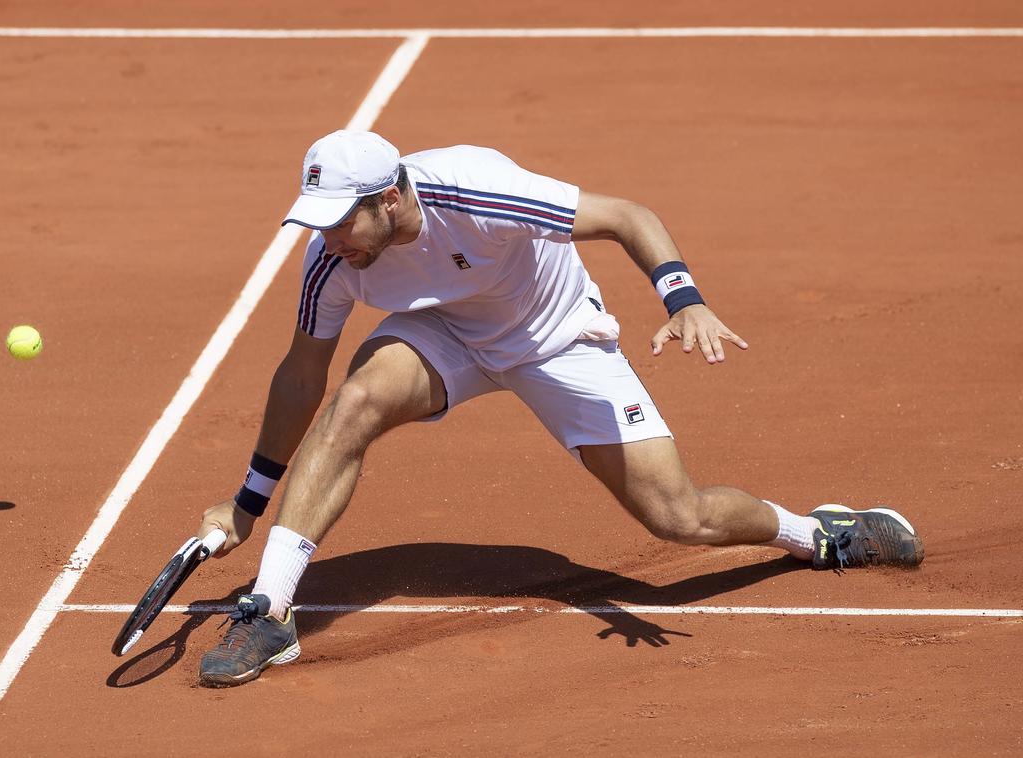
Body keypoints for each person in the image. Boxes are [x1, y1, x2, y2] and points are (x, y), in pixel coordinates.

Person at [194, 130, 924, 687]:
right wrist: (246, 503)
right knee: (355, 399)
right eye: (318, 223)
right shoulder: (334, 256)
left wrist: (685, 299)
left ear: (390, 198)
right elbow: (301, 376)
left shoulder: (479, 191)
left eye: (340, 221)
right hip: (444, 335)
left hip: (555, 336)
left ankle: (819, 533)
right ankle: (272, 610)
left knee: (681, 518)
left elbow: (627, 216)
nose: (328, 239)